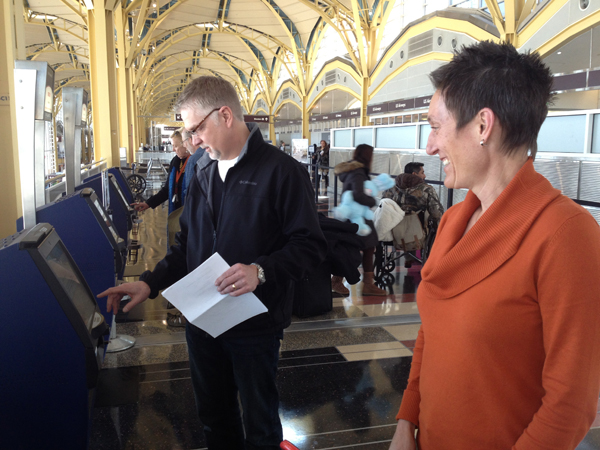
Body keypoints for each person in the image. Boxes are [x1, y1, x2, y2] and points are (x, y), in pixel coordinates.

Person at [389, 41, 600, 450]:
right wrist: (406, 420)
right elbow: (433, 332)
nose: (429, 147)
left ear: (483, 126)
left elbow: (570, 404)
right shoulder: (454, 221)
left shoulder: (566, 235)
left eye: (436, 127)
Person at [99, 75, 327, 449]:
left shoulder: (282, 172)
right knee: (214, 417)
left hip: (254, 324)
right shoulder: (203, 170)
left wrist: (260, 270)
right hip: (203, 320)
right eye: (189, 133)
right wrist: (149, 283)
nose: (193, 142)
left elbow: (310, 246)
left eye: (196, 130)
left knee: (260, 424)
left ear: (224, 115)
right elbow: (187, 244)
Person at [333, 144, 388, 296]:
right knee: (365, 248)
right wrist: (372, 201)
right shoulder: (358, 172)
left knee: (357, 248)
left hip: (352, 216)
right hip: (357, 218)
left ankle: (339, 280)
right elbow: (358, 194)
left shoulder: (352, 170)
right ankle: (365, 284)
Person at [166, 129, 206, 328]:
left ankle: (187, 312)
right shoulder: (185, 161)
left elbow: (191, 195)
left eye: (181, 142)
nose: (180, 146)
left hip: (190, 222)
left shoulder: (196, 160)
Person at [381, 162, 444, 267]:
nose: (424, 176)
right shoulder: (426, 189)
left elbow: (383, 207)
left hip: (394, 231)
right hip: (418, 232)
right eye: (422, 172)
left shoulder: (390, 188)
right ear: (414, 174)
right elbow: (436, 213)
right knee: (425, 220)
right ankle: (431, 262)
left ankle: (408, 258)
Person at [132, 130, 189, 214]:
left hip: (188, 210)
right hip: (176, 210)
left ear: (185, 144)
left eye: (176, 146)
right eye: (172, 146)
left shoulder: (194, 162)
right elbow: (167, 189)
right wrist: (148, 203)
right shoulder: (175, 162)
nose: (173, 149)